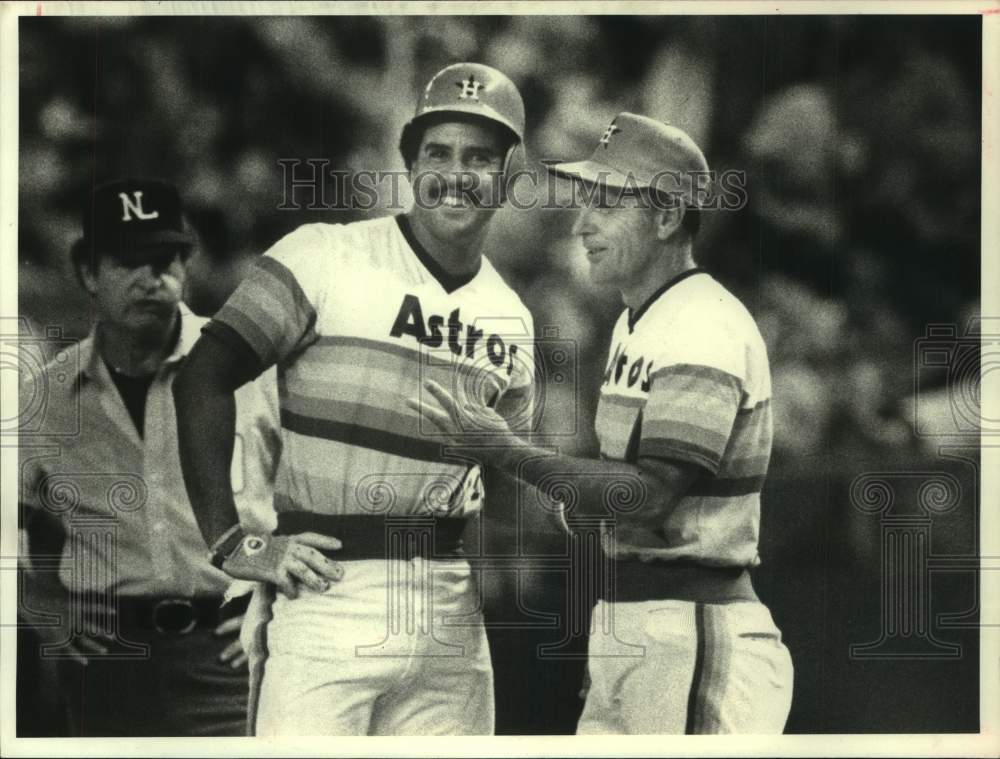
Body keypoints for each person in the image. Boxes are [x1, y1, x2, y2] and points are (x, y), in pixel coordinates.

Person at [172, 62, 536, 736]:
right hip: (327, 587)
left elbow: (507, 480)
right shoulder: (324, 255)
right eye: (438, 153)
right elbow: (202, 376)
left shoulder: (512, 317)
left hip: (450, 608)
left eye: (480, 157)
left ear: (510, 175)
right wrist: (232, 542)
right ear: (408, 160)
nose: (456, 173)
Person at [411, 112, 795, 734]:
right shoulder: (633, 321)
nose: (583, 223)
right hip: (635, 622)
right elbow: (613, 496)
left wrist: (507, 451)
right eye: (585, 200)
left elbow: (646, 495)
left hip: (694, 628)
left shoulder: (700, 323)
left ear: (668, 217)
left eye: (608, 203)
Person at [17, 177, 281, 736]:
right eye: (127, 261)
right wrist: (37, 604)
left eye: (165, 259)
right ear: (88, 272)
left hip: (230, 650)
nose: (150, 278)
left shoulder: (248, 368)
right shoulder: (45, 398)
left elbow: (318, 494)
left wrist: (281, 604)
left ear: (186, 268)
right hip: (105, 657)